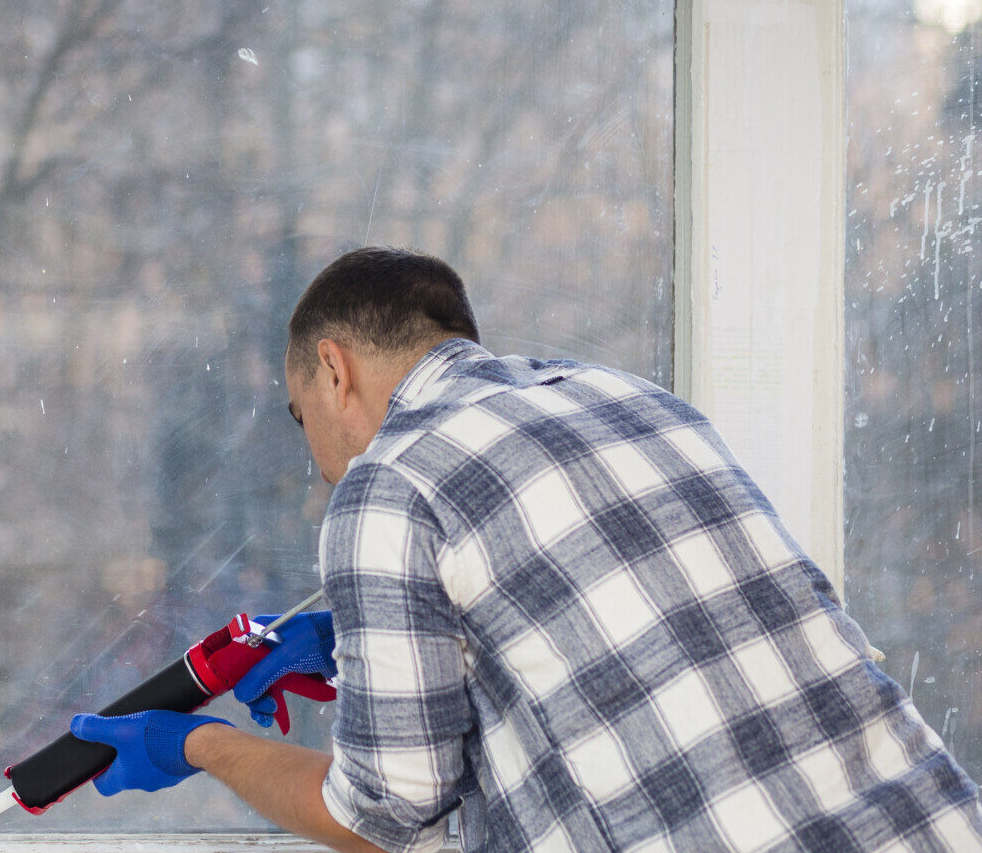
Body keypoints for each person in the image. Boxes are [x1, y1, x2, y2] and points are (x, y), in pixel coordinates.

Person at [68, 247, 982, 852]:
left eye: (300, 413)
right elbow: (622, 642)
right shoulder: (630, 401)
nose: (315, 458)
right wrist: (365, 652)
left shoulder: (390, 484)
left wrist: (200, 748)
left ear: (334, 368)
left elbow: (381, 814)